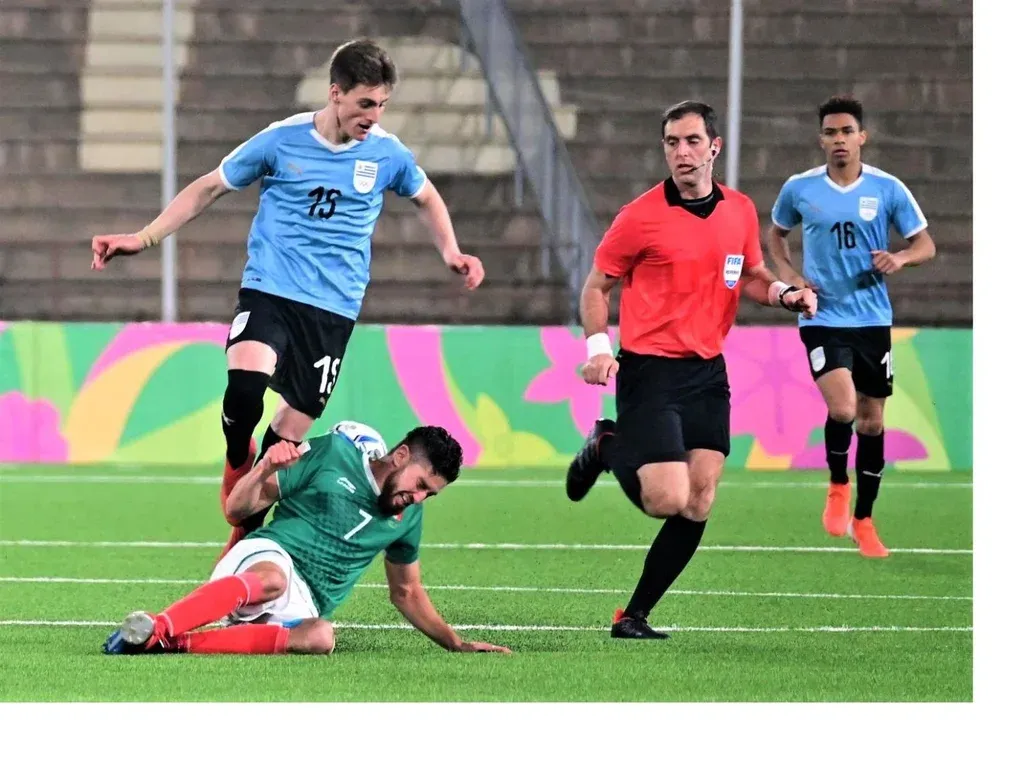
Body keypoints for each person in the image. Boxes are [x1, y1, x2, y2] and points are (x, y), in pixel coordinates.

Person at [89, 38, 486, 559]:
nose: (374, 116)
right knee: (245, 387)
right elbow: (209, 187)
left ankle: (244, 530)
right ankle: (237, 458)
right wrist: (143, 238)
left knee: (287, 443)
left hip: (333, 311)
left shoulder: (387, 154)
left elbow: (427, 196)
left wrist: (451, 251)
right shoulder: (281, 141)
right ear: (335, 92)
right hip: (271, 289)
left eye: (382, 105)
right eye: (365, 103)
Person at [564, 100, 818, 640]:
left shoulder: (739, 210)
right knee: (666, 499)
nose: (682, 152)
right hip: (650, 370)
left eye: (692, 141)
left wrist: (785, 294)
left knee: (699, 500)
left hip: (707, 372)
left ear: (714, 147)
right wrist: (598, 348)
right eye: (672, 142)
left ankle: (633, 616)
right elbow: (596, 286)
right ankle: (607, 444)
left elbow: (749, 275)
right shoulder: (639, 216)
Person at [103, 425, 511, 656]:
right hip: (268, 557)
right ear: (401, 456)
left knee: (320, 638)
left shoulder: (408, 518)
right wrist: (264, 468)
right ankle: (160, 624)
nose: (419, 498)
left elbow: (406, 591)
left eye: (429, 495)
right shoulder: (333, 455)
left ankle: (173, 643)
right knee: (273, 580)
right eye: (420, 484)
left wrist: (456, 643)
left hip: (304, 602)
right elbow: (237, 508)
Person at [767, 95, 936, 558]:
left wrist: (900, 257)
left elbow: (925, 244)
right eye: (830, 133)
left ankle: (864, 519)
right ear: (820, 139)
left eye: (846, 131)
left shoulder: (887, 188)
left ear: (862, 136)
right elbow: (776, 236)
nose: (839, 139)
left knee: (872, 420)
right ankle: (838, 485)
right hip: (821, 316)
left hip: (872, 318)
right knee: (842, 408)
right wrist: (792, 277)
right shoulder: (800, 188)